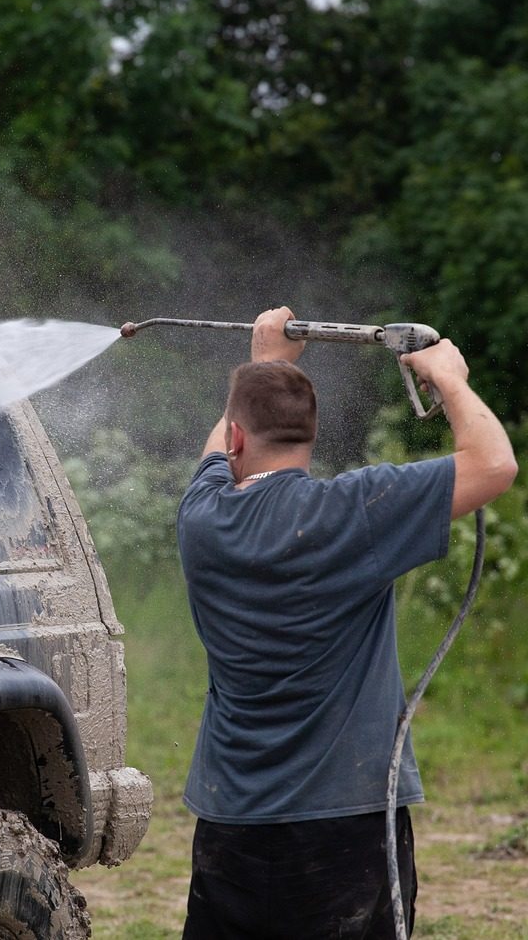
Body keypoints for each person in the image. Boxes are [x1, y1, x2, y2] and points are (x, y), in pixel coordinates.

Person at [178, 306, 518, 939]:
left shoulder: (201, 518)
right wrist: (450, 378)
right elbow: (495, 465)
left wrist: (266, 365)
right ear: (311, 435)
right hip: (345, 827)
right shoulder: (356, 512)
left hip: (232, 825)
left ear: (237, 440)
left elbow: (218, 450)